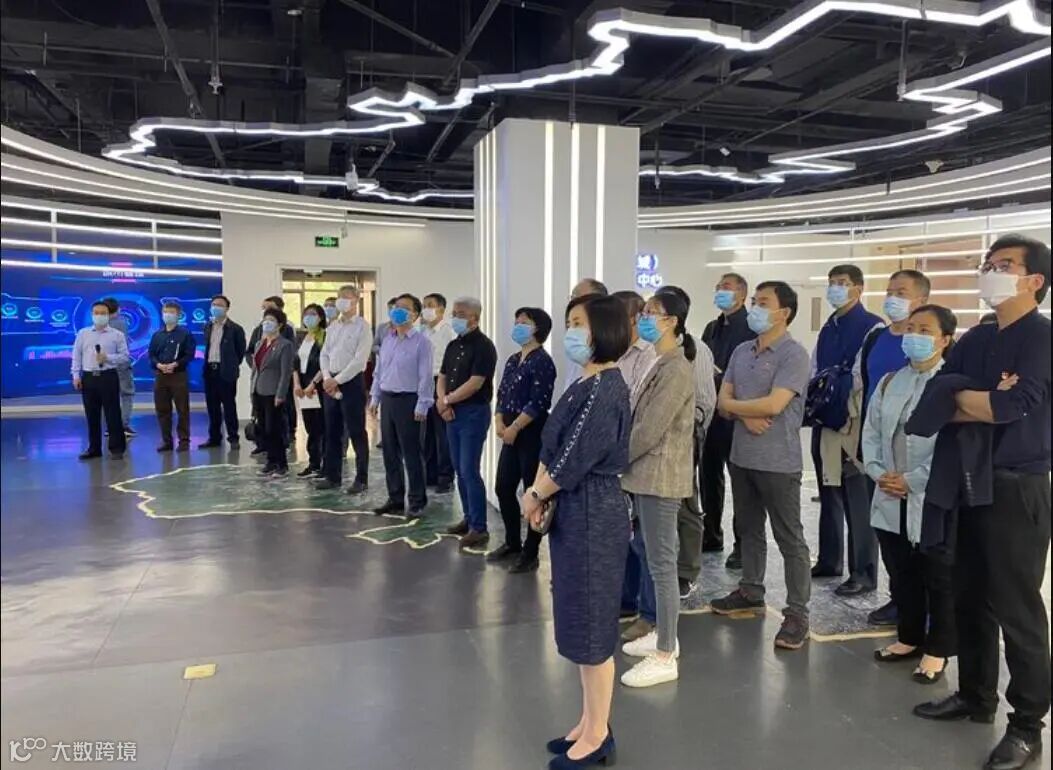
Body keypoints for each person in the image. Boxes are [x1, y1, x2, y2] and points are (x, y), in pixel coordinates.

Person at [912, 235, 1051, 770]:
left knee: (1017, 609)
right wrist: (978, 395)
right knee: (968, 596)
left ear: (1034, 280)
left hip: (1016, 485)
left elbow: (1014, 406)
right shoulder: (978, 336)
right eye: (988, 263)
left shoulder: (1040, 337)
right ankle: (975, 695)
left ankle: (1027, 725)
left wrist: (967, 397)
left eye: (1004, 265)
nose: (991, 271)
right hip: (967, 481)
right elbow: (938, 395)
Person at [521, 294, 630, 769]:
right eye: (569, 322)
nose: (571, 331)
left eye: (579, 323)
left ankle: (599, 733)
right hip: (574, 506)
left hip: (593, 510)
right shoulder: (585, 382)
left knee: (592, 625)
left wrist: (536, 493)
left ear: (603, 330)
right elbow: (554, 447)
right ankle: (588, 722)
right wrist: (542, 492)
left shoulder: (606, 388)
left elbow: (574, 457)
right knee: (579, 619)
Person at [710, 281, 813, 651]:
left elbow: (774, 405)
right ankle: (751, 590)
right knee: (748, 528)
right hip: (742, 457)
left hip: (778, 461)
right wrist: (743, 414)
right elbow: (721, 400)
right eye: (754, 301)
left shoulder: (794, 355)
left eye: (763, 302)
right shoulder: (742, 350)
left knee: (789, 537)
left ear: (784, 312)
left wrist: (737, 408)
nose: (755, 307)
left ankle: (797, 613)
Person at [862, 304, 956, 684]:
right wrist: (878, 472)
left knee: (938, 577)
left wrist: (913, 480)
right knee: (901, 571)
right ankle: (909, 636)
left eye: (925, 330)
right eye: (911, 328)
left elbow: (952, 446)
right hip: (888, 490)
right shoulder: (890, 381)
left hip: (929, 496)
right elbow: (871, 432)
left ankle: (938, 649)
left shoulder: (952, 385)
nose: (914, 335)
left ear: (944, 339)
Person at [619, 291, 696, 688]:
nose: (645, 318)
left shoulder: (677, 368)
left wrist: (616, 457)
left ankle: (666, 653)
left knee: (663, 564)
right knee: (652, 556)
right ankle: (663, 635)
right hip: (644, 475)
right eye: (644, 312)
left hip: (660, 477)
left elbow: (650, 429)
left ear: (673, 321)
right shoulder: (658, 360)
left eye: (653, 313)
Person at [854, 269, 931, 626]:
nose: (892, 298)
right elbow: (867, 388)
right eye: (889, 291)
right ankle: (899, 599)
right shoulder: (877, 338)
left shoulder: (932, 348)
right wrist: (870, 456)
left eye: (901, 292)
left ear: (921, 299)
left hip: (916, 457)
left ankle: (925, 606)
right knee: (888, 534)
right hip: (880, 451)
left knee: (919, 538)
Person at [810, 264, 884, 596]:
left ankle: (863, 571)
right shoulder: (829, 326)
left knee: (857, 499)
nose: (835, 288)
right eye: (831, 283)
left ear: (859, 288)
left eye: (842, 283)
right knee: (829, 490)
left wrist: (832, 387)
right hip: (826, 417)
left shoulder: (872, 327)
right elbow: (815, 367)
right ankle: (830, 560)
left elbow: (860, 375)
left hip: (853, 419)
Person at [656, 284, 717, 603]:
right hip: (651, 444)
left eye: (653, 312)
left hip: (683, 441)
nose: (646, 318)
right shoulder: (649, 349)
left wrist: (689, 434)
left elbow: (705, 401)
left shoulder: (697, 350)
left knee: (686, 504)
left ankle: (687, 570)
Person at [489, 306, 557, 573]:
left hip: (531, 432)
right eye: (516, 321)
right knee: (503, 487)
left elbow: (539, 402)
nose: (517, 326)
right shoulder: (513, 359)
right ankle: (512, 542)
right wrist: (499, 420)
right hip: (509, 430)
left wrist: (516, 426)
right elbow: (502, 393)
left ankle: (531, 551)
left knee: (533, 492)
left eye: (524, 322)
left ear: (537, 328)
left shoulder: (543, 361)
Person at [611, 290, 658, 642]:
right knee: (624, 537)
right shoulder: (615, 355)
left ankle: (651, 614)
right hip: (616, 457)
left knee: (646, 542)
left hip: (641, 459)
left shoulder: (651, 356)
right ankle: (626, 600)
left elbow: (638, 411)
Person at [700, 273, 756, 568]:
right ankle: (710, 533)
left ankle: (743, 546)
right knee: (709, 476)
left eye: (727, 287)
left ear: (742, 294)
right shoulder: (712, 328)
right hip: (712, 413)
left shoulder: (750, 328)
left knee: (742, 484)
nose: (720, 291)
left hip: (737, 414)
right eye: (718, 287)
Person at [439, 297, 499, 549]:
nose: (455, 317)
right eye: (454, 313)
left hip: (473, 413)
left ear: (474, 317)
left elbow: (476, 383)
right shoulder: (453, 345)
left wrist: (447, 400)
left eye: (460, 314)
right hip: (451, 412)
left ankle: (479, 527)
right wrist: (442, 402)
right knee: (458, 468)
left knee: (469, 469)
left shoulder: (484, 346)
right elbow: (442, 375)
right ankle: (468, 518)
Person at [369, 294, 434, 517]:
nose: (397, 311)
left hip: (409, 400)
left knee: (412, 453)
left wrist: (423, 404)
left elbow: (425, 376)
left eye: (404, 308)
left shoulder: (422, 342)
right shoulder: (388, 339)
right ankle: (395, 498)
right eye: (396, 307)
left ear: (415, 315)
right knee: (389, 452)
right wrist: (375, 397)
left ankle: (417, 501)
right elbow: (379, 372)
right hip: (388, 399)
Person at [316, 285, 371, 493]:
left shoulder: (362, 327)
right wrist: (328, 378)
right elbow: (324, 354)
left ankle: (361, 479)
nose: (342, 300)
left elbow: (359, 360)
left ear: (356, 300)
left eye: (347, 297)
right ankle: (332, 476)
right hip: (330, 382)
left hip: (351, 383)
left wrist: (337, 380)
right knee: (332, 431)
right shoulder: (333, 327)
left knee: (356, 431)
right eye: (340, 296)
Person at [71, 301, 129, 460]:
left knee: (113, 413)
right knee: (92, 415)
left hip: (108, 376)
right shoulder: (83, 333)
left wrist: (107, 358)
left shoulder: (117, 335)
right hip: (89, 377)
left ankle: (117, 449)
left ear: (108, 315)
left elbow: (125, 357)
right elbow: (76, 355)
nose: (99, 316)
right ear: (92, 315)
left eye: (103, 313)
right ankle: (94, 448)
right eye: (96, 313)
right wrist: (76, 375)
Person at [247, 295, 296, 455]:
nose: (267, 323)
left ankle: (279, 460)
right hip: (258, 389)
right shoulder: (259, 342)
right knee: (263, 426)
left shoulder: (284, 344)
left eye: (271, 320)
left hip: (273, 391)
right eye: (265, 319)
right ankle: (268, 456)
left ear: (279, 324)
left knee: (274, 427)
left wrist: (280, 394)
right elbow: (255, 363)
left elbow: (286, 371)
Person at [199, 295, 247, 449]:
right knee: (212, 407)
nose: (216, 308)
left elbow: (240, 352)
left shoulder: (235, 329)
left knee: (229, 406)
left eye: (220, 305)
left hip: (226, 372)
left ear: (227, 308)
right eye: (214, 304)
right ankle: (214, 438)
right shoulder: (208, 326)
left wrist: (230, 365)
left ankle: (233, 437)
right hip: (210, 371)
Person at [421, 293, 457, 492]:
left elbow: (451, 364)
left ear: (441, 309)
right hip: (425, 384)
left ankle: (445, 476)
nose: (426, 309)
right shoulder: (424, 332)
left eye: (430, 305)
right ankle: (430, 473)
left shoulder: (448, 332)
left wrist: (446, 394)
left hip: (441, 383)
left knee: (443, 434)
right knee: (427, 433)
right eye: (424, 305)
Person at [148, 301, 195, 452]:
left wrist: (176, 364)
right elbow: (151, 355)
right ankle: (166, 441)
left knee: (182, 409)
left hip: (178, 375)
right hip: (161, 376)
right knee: (162, 409)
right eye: (165, 312)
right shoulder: (157, 335)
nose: (168, 315)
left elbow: (189, 354)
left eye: (171, 312)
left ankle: (184, 440)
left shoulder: (185, 334)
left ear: (178, 315)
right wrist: (158, 365)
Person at [293, 303, 327, 477]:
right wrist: (297, 384)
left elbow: (325, 363)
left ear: (320, 317)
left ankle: (325, 464)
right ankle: (313, 463)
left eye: (313, 314)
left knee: (321, 426)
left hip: (319, 386)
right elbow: (295, 363)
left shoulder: (324, 336)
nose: (309, 317)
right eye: (306, 314)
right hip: (303, 387)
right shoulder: (301, 337)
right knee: (309, 426)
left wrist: (313, 384)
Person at [102, 297, 136, 436]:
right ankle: (123, 426)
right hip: (121, 365)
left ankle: (110, 427)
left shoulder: (97, 325)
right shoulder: (121, 323)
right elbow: (124, 348)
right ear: (117, 309)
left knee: (108, 397)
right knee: (127, 394)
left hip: (104, 366)